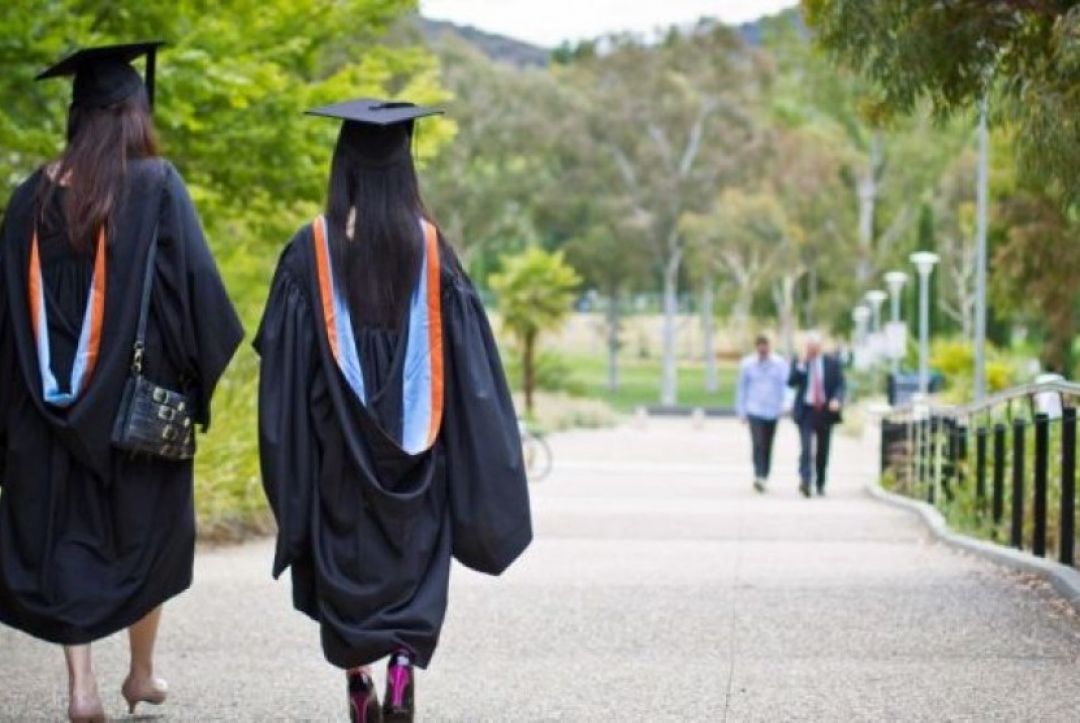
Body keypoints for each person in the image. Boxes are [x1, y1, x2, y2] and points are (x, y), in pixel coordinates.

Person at [255, 98, 532, 723]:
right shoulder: (433, 250)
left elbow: (281, 366)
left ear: (341, 167)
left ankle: (358, 680)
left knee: (343, 564)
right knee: (412, 562)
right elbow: (471, 370)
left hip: (335, 461)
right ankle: (402, 664)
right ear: (405, 170)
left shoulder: (310, 250)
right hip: (419, 462)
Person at [0, 43, 243, 722]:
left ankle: (81, 687)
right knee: (146, 533)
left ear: (78, 118)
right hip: (132, 414)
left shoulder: (28, 199)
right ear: (134, 115)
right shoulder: (157, 185)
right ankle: (140, 673)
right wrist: (193, 386)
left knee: (62, 539)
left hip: (41, 411)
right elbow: (200, 298)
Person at [788, 332, 845, 498]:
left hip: (825, 411)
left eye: (815, 346)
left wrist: (837, 399)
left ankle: (820, 482)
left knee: (822, 450)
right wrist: (801, 363)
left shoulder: (832, 363)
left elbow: (840, 385)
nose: (812, 349)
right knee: (806, 448)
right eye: (809, 346)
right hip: (806, 411)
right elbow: (791, 382)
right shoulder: (800, 362)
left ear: (820, 346)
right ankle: (805, 481)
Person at [735, 334, 789, 492]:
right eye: (760, 348)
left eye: (765, 348)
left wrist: (786, 403)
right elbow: (742, 388)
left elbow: (785, 385)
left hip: (772, 410)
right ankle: (758, 474)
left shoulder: (779, 364)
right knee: (757, 443)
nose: (763, 351)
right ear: (756, 348)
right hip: (754, 409)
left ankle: (765, 474)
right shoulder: (748, 364)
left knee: (767, 444)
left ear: (769, 347)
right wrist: (741, 411)